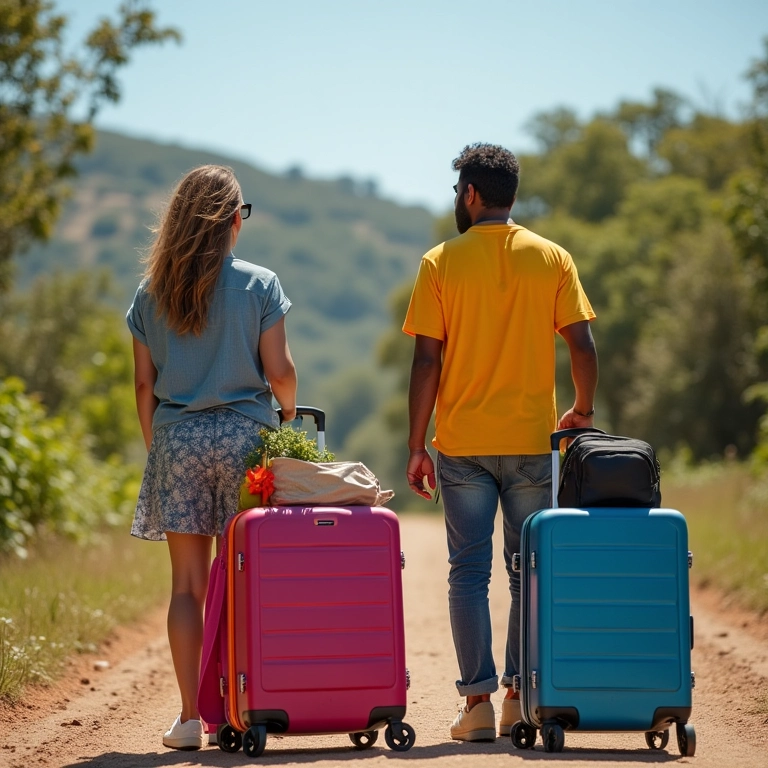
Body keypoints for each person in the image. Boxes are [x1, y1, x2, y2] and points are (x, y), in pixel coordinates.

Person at [402, 143, 598, 741]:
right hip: (533, 443)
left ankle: (478, 705)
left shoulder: (440, 262)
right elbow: (583, 346)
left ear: (470, 194)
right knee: (526, 571)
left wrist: (417, 445)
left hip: (463, 445)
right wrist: (582, 412)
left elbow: (426, 362)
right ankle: (517, 697)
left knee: (468, 572)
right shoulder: (553, 258)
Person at [126, 164, 297, 750]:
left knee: (187, 588)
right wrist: (288, 415)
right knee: (245, 578)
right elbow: (281, 373)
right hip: (246, 439)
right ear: (231, 221)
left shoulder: (150, 294)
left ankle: (188, 718)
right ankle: (241, 710)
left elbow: (144, 386)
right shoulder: (259, 284)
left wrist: (160, 446)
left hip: (178, 438)